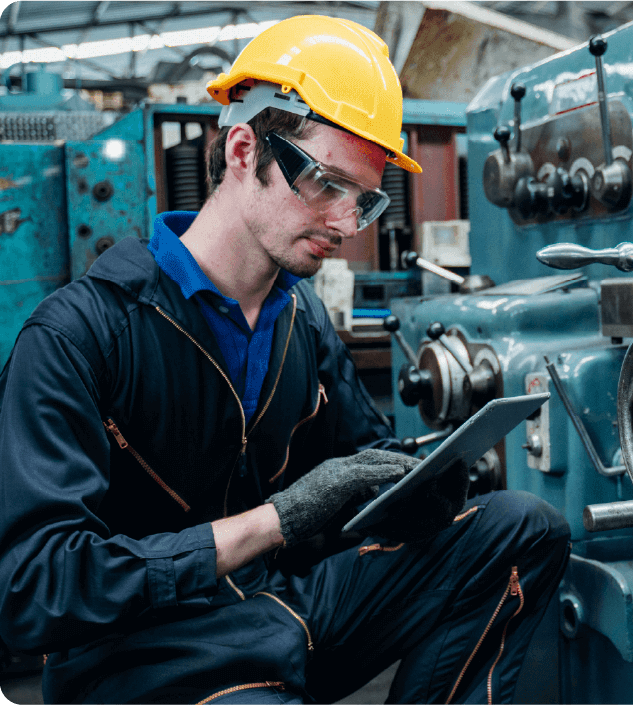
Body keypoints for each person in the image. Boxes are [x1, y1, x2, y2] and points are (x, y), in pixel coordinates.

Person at [0, 15, 570, 705]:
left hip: (283, 613)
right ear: (243, 149)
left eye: (361, 201)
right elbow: (31, 589)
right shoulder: (79, 336)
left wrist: (416, 490)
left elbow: (362, 466)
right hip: (146, 652)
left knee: (520, 525)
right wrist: (275, 521)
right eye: (326, 183)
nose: (342, 225)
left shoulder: (301, 321)